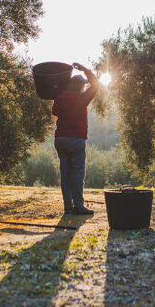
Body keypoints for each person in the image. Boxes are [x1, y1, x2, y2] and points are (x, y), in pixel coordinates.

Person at [52, 62, 100, 215]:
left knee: (65, 172)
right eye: (83, 86)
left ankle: (68, 206)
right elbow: (96, 85)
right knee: (77, 172)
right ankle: (78, 205)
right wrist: (85, 70)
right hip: (76, 139)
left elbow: (54, 111)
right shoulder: (82, 98)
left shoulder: (59, 97)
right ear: (80, 86)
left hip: (60, 139)